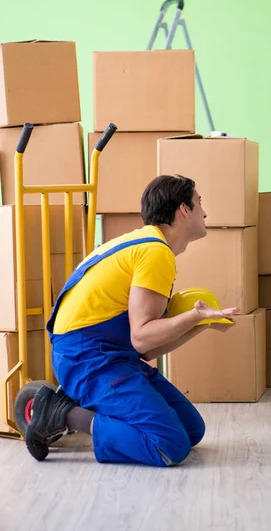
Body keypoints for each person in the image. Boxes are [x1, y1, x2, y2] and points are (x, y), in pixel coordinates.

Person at [25, 175, 238, 464]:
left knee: (191, 431)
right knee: (169, 446)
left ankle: (92, 407)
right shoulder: (155, 253)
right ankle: (65, 413)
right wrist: (193, 315)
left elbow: (146, 349)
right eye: (199, 202)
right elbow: (142, 336)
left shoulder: (147, 245)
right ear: (183, 210)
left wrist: (198, 324)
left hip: (109, 355)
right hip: (86, 359)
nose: (204, 210)